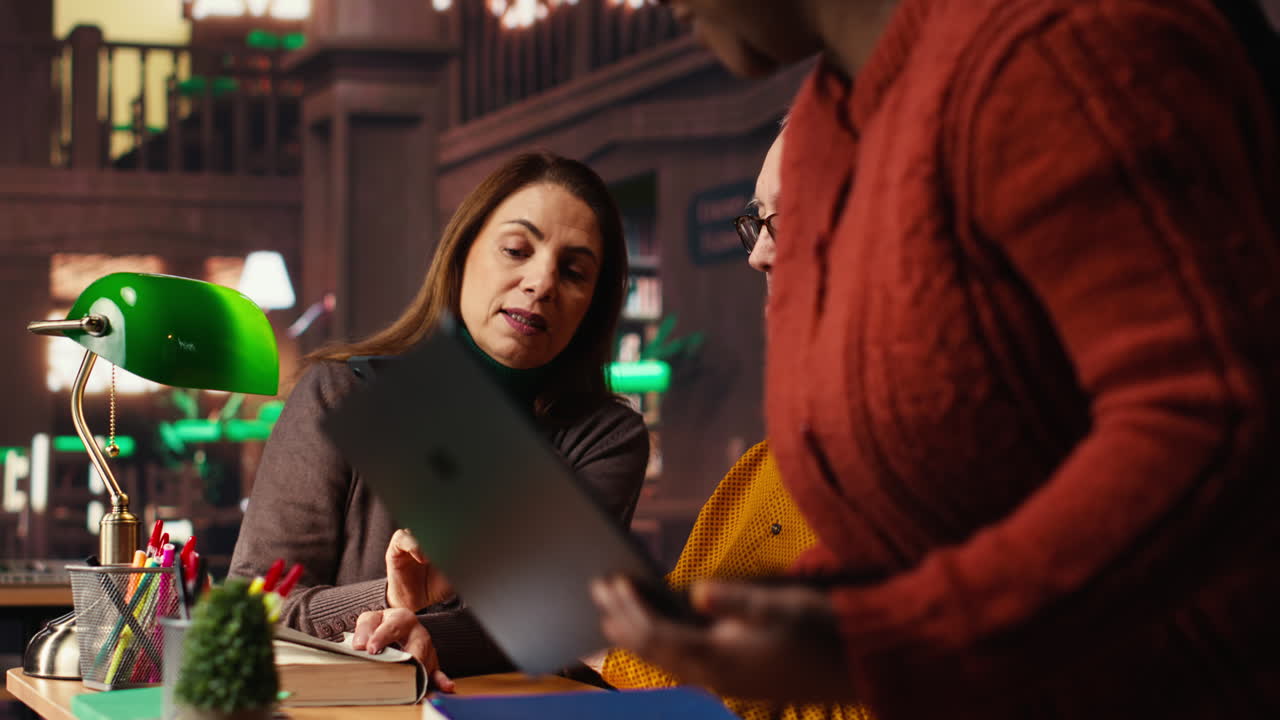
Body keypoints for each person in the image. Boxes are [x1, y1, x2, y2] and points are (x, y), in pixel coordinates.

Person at [592, 0, 1280, 718]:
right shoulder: (832, 116)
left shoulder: (1056, 44)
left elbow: (1217, 422)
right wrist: (793, 613)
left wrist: (872, 638)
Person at [231, 151, 650, 691]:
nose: (541, 282)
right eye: (516, 249)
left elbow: (555, 624)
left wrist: (427, 635)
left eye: (574, 272)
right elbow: (253, 603)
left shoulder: (606, 438)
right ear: (462, 254)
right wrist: (391, 597)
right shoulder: (341, 392)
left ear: (592, 303)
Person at [598, 128, 872, 720]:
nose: (757, 254)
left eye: (789, 216)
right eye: (757, 220)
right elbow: (644, 665)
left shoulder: (961, 477)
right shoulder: (758, 470)